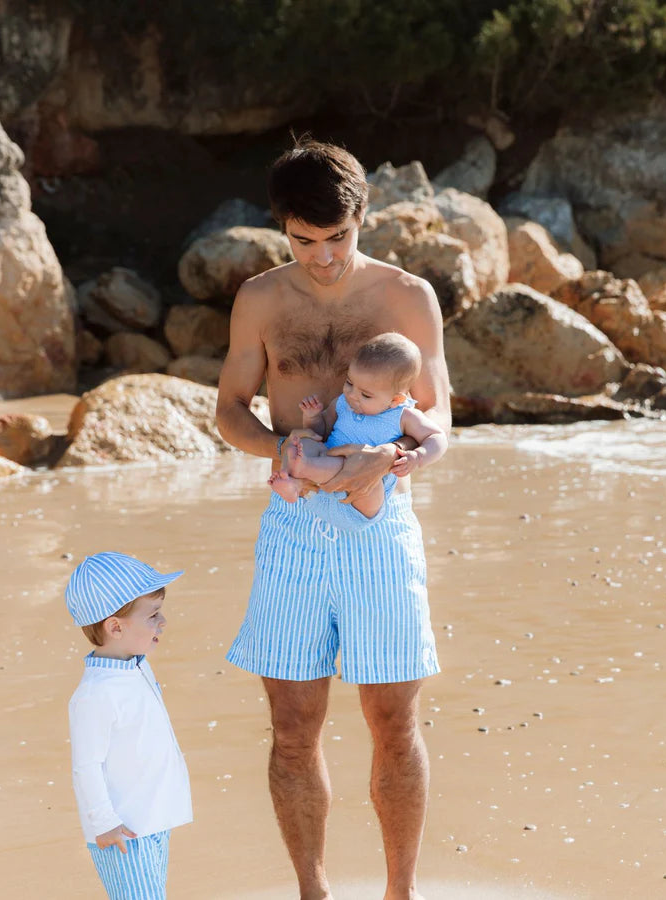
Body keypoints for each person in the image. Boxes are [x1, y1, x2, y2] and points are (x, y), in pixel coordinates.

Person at [215, 137, 451, 900]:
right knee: (291, 727)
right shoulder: (259, 299)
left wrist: (394, 460)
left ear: (363, 216)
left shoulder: (408, 296)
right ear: (282, 227)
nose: (322, 256)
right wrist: (281, 447)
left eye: (338, 237)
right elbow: (228, 409)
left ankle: (400, 894)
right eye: (304, 240)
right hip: (293, 525)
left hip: (382, 525)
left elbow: (440, 411)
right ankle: (313, 893)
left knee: (393, 723)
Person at [66, 551, 193, 900]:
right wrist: (104, 823)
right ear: (116, 627)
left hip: (151, 820)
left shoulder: (136, 668)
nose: (162, 622)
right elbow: (85, 766)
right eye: (152, 615)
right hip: (121, 831)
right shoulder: (95, 694)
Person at [269, 331, 448, 530]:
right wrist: (312, 417)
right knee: (303, 442)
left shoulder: (403, 415)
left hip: (363, 500)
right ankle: (295, 484)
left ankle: (303, 467)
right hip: (320, 491)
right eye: (349, 383)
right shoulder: (343, 404)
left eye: (365, 395)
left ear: (395, 399)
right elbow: (320, 433)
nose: (352, 395)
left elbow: (437, 437)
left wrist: (418, 456)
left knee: (352, 469)